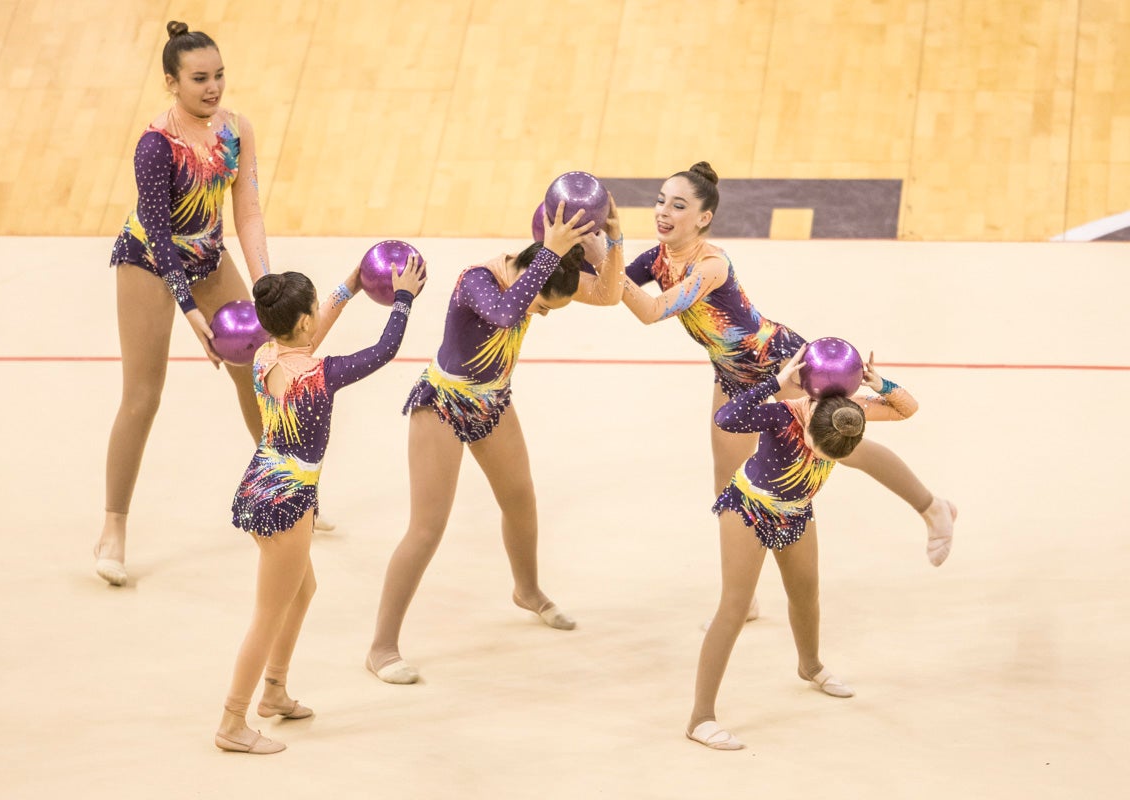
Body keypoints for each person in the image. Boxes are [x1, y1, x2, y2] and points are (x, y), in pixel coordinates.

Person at [618, 162, 956, 603]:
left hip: (782, 365)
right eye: (661, 201)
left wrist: (608, 253)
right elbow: (611, 290)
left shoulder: (711, 265)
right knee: (729, 486)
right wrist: (565, 262)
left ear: (704, 218)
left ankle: (933, 507)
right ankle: (741, 596)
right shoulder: (657, 259)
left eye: (678, 205)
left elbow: (650, 310)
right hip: (733, 375)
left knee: (845, 446)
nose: (663, 211)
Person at [364, 199, 624, 684]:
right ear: (534, 274)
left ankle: (527, 591)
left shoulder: (542, 275)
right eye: (543, 308)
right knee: (427, 529)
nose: (541, 316)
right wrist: (549, 255)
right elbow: (506, 314)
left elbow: (609, 295)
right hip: (443, 404)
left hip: (493, 401)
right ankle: (381, 646)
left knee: (521, 501)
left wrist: (614, 241)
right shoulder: (477, 281)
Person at [687, 346, 951, 750]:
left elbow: (905, 408)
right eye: (820, 448)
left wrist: (878, 381)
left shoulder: (850, 412)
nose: (822, 456)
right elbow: (727, 418)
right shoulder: (782, 414)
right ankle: (701, 718)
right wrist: (774, 383)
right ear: (809, 424)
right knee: (734, 608)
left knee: (806, 594)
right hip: (749, 510)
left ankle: (810, 666)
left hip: (796, 510)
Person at [94, 21, 278, 586]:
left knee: (259, 372)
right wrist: (192, 313)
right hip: (150, 262)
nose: (213, 87)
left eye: (219, 75)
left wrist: (265, 287)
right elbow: (158, 233)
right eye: (199, 78)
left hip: (207, 255)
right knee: (143, 396)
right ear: (172, 82)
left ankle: (282, 487)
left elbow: (247, 211)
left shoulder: (235, 130)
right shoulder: (156, 144)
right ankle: (113, 526)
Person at [216, 260, 426, 754]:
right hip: (287, 501)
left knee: (303, 589)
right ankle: (232, 722)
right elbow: (383, 351)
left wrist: (351, 285)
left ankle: (274, 690)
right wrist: (403, 299)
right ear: (305, 321)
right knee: (268, 615)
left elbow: (312, 331)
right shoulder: (319, 374)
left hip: (265, 484)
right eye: (315, 310)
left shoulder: (267, 355)